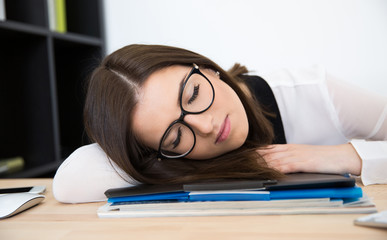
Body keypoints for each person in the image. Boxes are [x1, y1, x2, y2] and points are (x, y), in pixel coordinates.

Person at [53, 44, 387, 203]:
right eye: (175, 137)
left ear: (204, 67)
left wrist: (346, 157)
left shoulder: (315, 91)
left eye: (194, 93)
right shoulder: (171, 160)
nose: (206, 127)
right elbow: (69, 182)